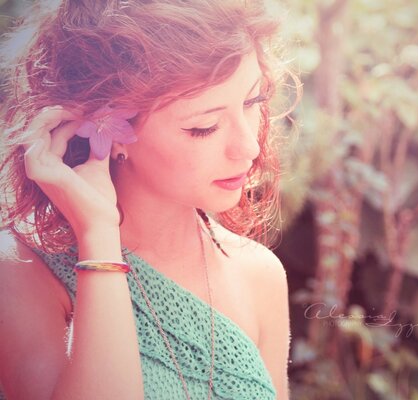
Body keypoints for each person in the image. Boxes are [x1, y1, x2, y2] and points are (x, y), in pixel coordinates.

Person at [0, 0, 296, 399]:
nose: (247, 147)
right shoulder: (21, 272)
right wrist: (99, 236)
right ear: (112, 132)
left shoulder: (259, 274)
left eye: (253, 103)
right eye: (203, 127)